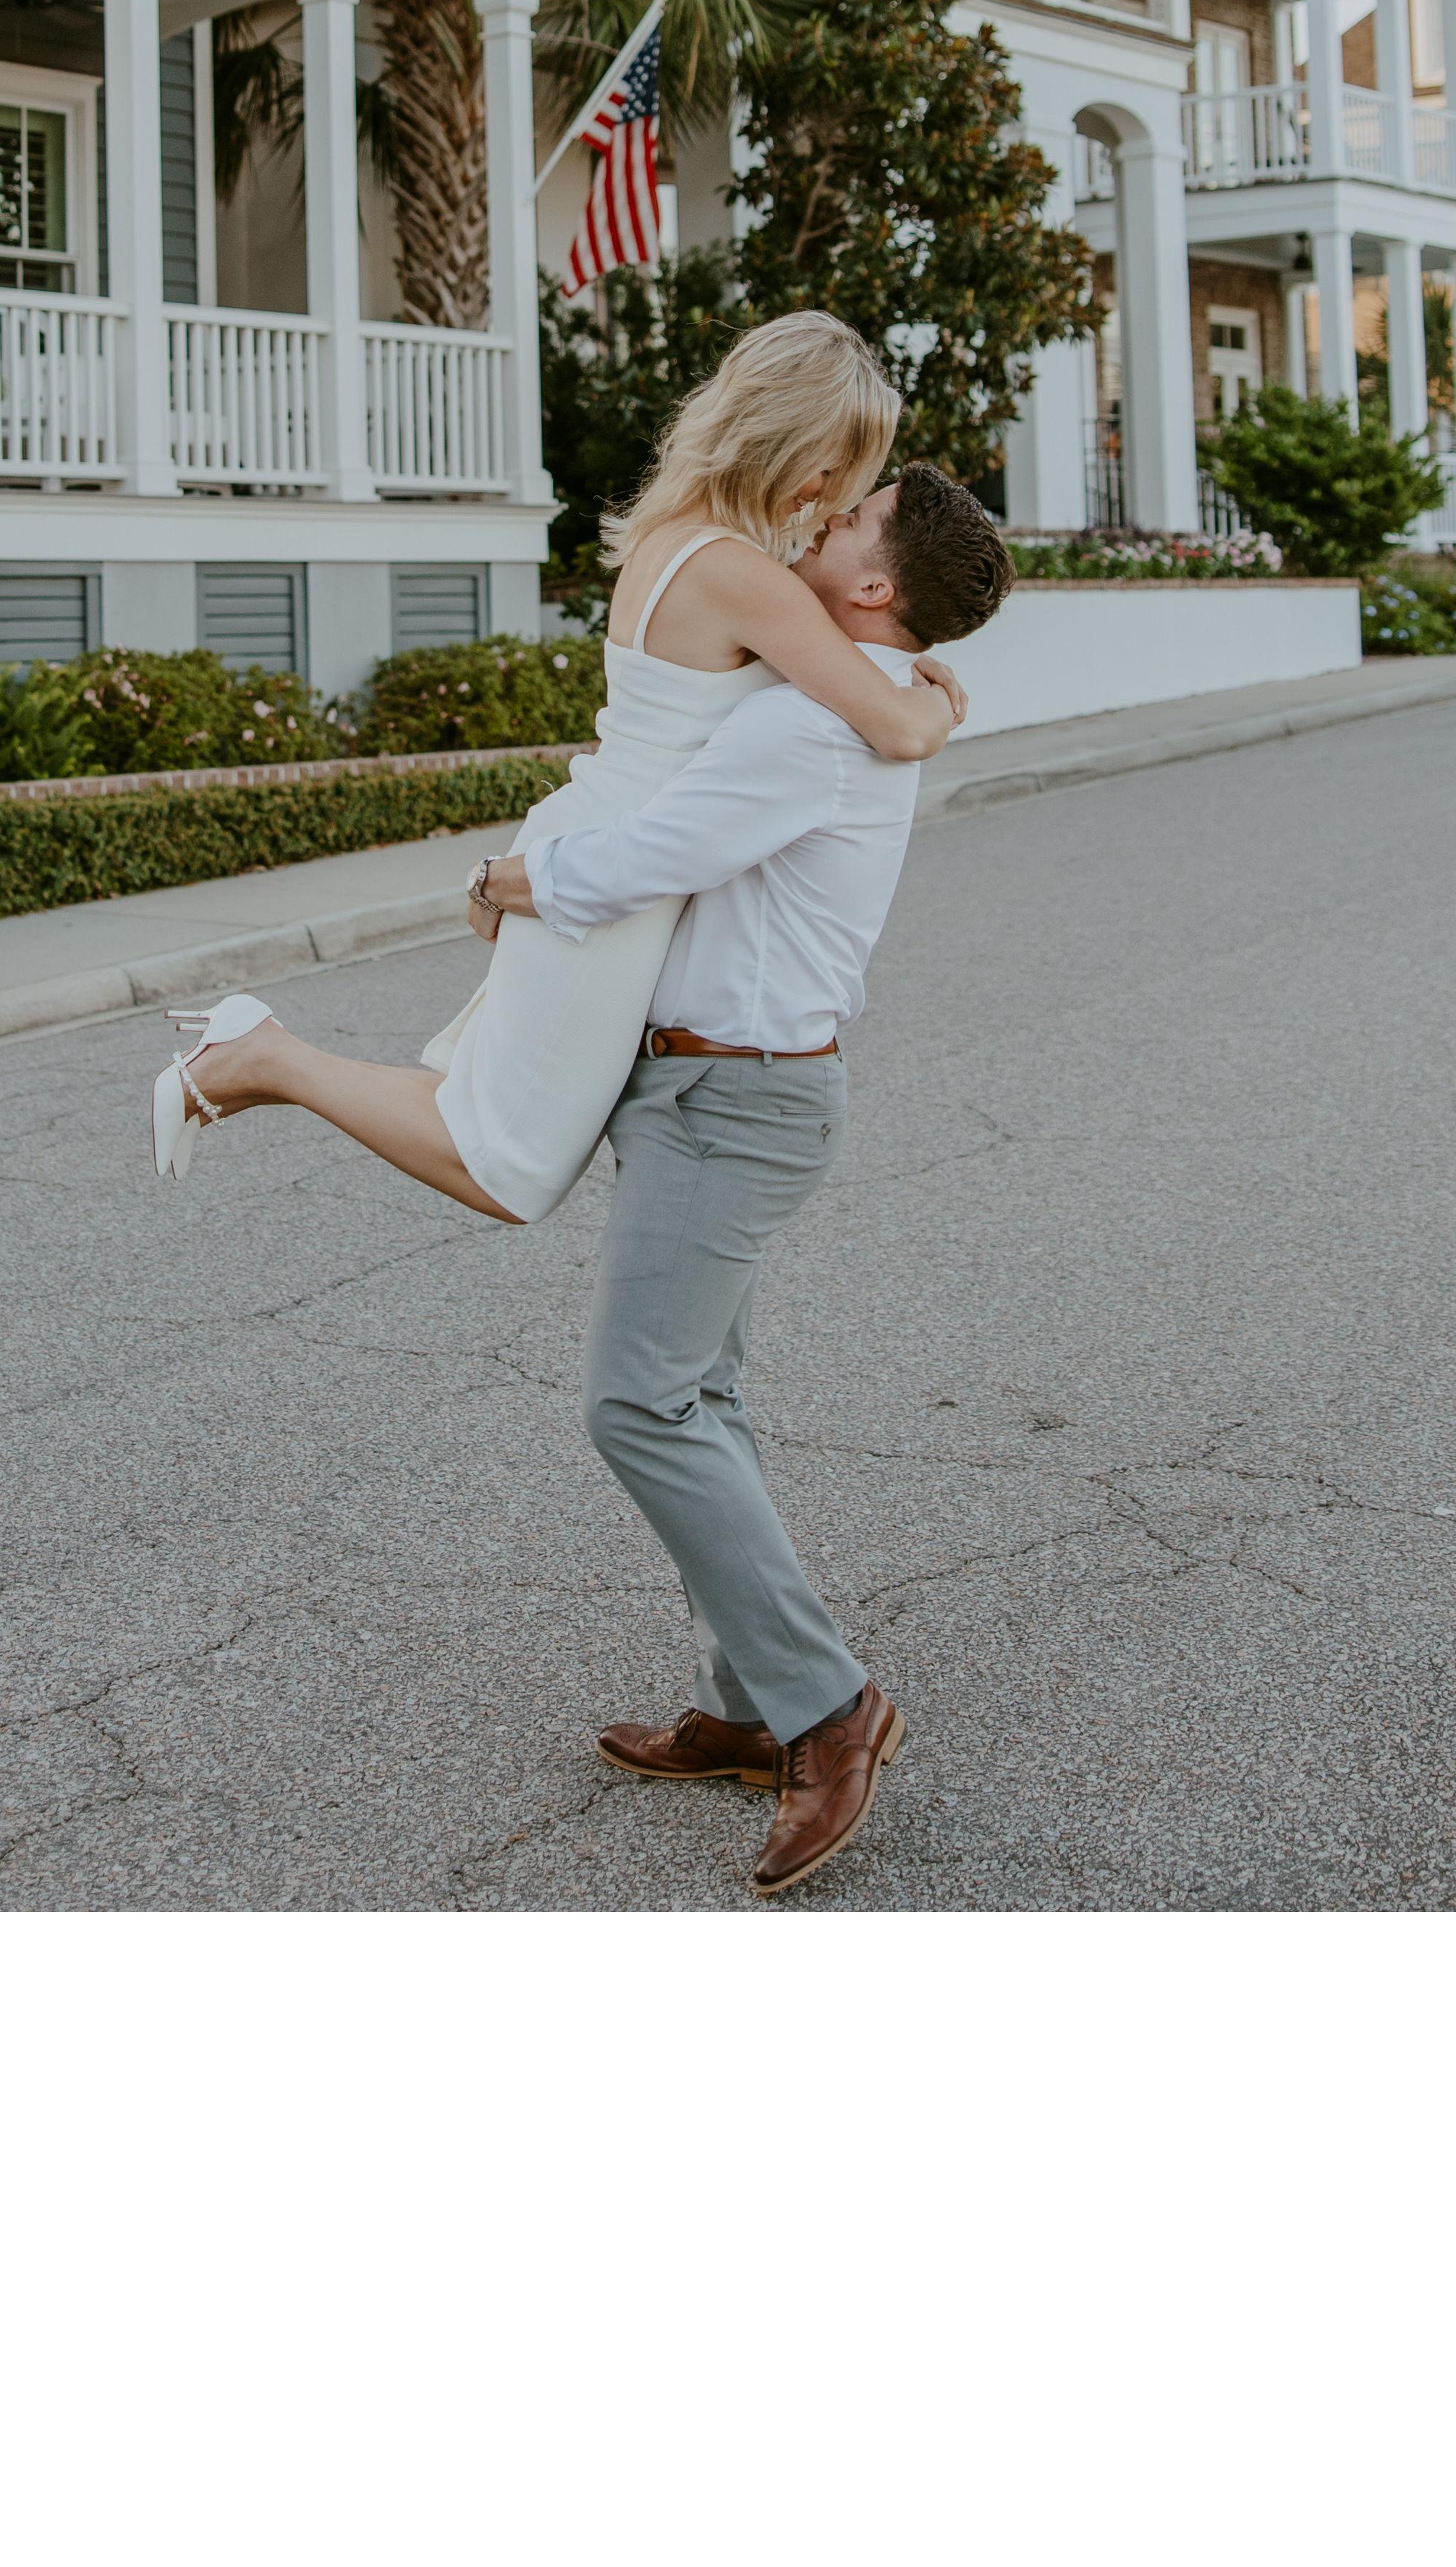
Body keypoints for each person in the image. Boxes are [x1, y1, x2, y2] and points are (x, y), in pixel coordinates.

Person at [474, 460, 1015, 1898]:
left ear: (875, 586)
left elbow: (656, 852)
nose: (820, 521)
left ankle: (828, 1709)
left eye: (849, 520)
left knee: (636, 1403)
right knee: (697, 1400)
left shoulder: (810, 722)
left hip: (735, 1096)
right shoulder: (844, 702)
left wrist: (513, 880)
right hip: (717, 1089)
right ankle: (745, 1708)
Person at [153, 311, 966, 1222]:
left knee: (490, 1125)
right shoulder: (743, 576)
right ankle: (264, 1057)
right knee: (506, 1167)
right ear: (790, 443)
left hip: (603, 839)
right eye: (835, 471)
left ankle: (261, 1057)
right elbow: (896, 730)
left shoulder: (683, 538)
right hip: (614, 873)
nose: (827, 497)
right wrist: (935, 696)